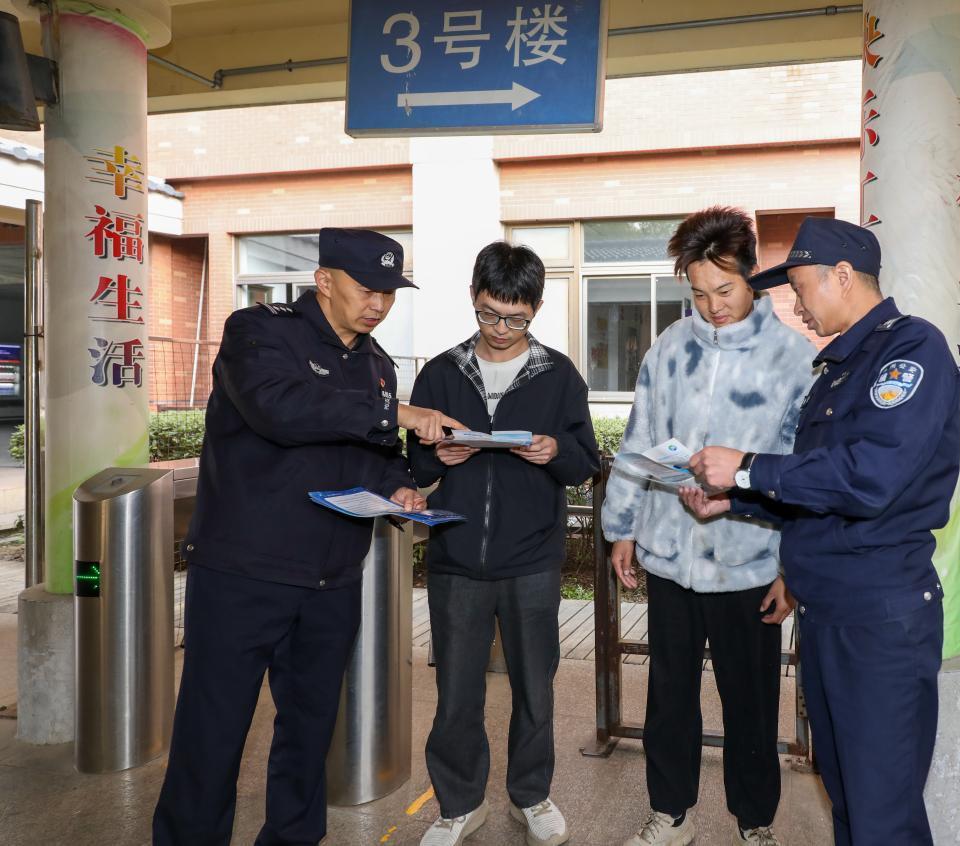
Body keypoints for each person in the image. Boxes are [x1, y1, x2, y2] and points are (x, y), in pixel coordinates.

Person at [153, 228, 461, 846]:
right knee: (212, 730)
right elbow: (280, 409)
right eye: (366, 289)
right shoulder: (259, 332)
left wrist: (401, 487)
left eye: (389, 293)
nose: (379, 304)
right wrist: (396, 413)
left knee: (309, 730)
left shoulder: (376, 364)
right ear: (324, 281)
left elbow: (373, 454)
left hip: (331, 579)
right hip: (244, 572)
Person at [683, 217, 960, 846]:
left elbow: (871, 478)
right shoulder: (839, 366)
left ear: (841, 276)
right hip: (831, 611)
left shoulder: (909, 350)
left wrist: (748, 467)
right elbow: (821, 493)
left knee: (882, 809)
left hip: (879, 618)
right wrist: (738, 501)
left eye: (802, 287)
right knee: (847, 793)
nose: (797, 304)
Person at [601, 206, 817, 846]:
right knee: (668, 695)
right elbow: (638, 441)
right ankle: (670, 812)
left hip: (749, 560)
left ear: (753, 277)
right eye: (698, 293)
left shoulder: (792, 358)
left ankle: (755, 821)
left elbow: (802, 472)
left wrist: (791, 568)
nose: (712, 306)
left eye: (724, 290)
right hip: (670, 554)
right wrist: (622, 528)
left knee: (751, 700)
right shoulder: (670, 347)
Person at [408, 241, 600, 846]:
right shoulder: (441, 372)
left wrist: (555, 451)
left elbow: (585, 461)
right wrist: (437, 457)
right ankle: (459, 804)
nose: (499, 329)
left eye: (515, 318)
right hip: (456, 557)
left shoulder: (559, 374)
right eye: (489, 313)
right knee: (455, 692)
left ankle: (531, 795)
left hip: (532, 559)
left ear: (536, 308)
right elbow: (413, 463)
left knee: (535, 688)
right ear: (473, 296)